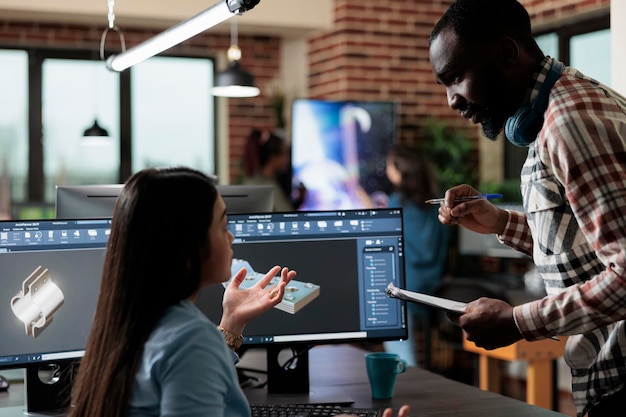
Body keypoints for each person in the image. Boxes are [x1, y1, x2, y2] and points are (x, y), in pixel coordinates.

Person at [67, 166, 409, 417]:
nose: (232, 238)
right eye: (223, 225)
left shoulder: (130, 322)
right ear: (188, 252)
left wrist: (230, 324)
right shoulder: (189, 340)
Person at [428, 1, 626, 416]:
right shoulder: (555, 108)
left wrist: (519, 321)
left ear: (506, 54)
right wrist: (499, 221)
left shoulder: (568, 122)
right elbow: (589, 243)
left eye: (456, 78)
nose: (451, 101)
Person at [383, 144, 449, 367]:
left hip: (406, 286)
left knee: (385, 303)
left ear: (401, 170)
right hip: (433, 285)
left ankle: (406, 378)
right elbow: (443, 245)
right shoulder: (436, 201)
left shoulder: (396, 202)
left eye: (390, 164)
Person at [243, 128, 305, 212]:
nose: (287, 159)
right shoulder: (268, 187)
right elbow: (287, 217)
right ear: (273, 159)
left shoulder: (252, 182)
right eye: (284, 154)